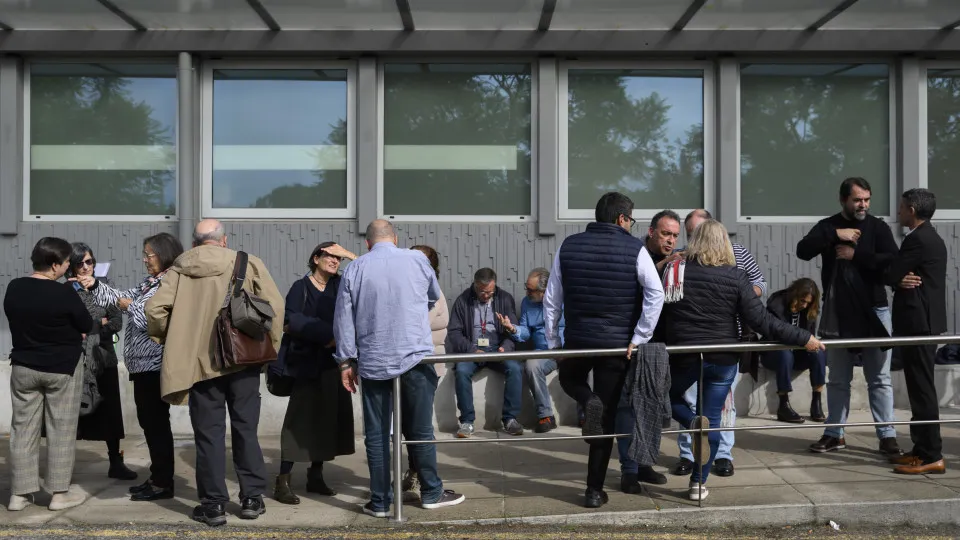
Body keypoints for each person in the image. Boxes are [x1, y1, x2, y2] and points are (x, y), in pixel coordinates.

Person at [659, 220, 823, 501]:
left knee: (666, 396)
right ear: (724, 243)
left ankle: (691, 422)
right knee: (712, 420)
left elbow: (659, 311)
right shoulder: (736, 276)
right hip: (723, 357)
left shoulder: (677, 270)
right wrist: (802, 336)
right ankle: (698, 483)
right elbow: (762, 320)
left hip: (685, 354)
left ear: (695, 241)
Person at [145, 219, 284, 526]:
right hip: (242, 360)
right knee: (246, 429)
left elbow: (155, 310)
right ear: (224, 240)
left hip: (200, 365)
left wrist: (171, 337)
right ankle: (252, 499)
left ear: (195, 242)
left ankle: (213, 505)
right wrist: (269, 347)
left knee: (209, 434)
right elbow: (275, 307)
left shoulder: (180, 268)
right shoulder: (247, 262)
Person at [333, 219, 465, 517]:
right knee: (420, 430)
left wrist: (345, 361)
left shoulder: (355, 269)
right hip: (415, 357)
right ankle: (431, 492)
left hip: (373, 360)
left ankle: (380, 502)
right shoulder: (417, 260)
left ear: (367, 243)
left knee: (377, 435)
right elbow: (432, 296)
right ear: (395, 238)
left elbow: (343, 319)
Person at [544, 192, 665, 508]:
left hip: (578, 340)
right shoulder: (635, 249)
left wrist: (553, 341)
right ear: (622, 218)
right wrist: (640, 336)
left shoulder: (569, 245)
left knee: (569, 379)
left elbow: (552, 297)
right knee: (607, 417)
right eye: (631, 219)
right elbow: (656, 293)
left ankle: (588, 400)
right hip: (617, 345)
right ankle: (593, 491)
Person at [75, 232, 184, 501]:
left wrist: (130, 306)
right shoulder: (150, 282)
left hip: (154, 366)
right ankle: (157, 477)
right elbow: (121, 297)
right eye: (145, 255)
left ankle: (163, 483)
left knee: (156, 424)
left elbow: (153, 321)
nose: (145, 260)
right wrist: (95, 285)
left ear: (164, 254)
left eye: (149, 254)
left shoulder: (171, 282)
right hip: (141, 367)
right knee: (149, 423)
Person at [796, 177, 901, 456]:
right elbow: (803, 250)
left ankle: (887, 436)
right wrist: (835, 235)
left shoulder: (878, 227)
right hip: (838, 314)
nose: (863, 205)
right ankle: (834, 434)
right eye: (857, 200)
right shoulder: (828, 226)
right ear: (843, 200)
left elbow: (892, 260)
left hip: (875, 311)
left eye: (866, 199)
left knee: (879, 379)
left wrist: (856, 255)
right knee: (838, 379)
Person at [673, 208, 767, 478]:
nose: (694, 239)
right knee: (691, 402)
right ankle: (689, 456)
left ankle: (723, 454)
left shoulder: (738, 253)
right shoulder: (682, 259)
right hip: (694, 343)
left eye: (697, 232)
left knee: (724, 404)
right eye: (689, 234)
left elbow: (760, 283)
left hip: (728, 340)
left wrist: (741, 296)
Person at [5, 237, 93, 511]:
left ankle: (19, 495)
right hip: (62, 368)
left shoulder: (15, 287)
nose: (68, 268)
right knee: (61, 430)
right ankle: (58, 494)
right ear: (55, 265)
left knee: (23, 429)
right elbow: (85, 323)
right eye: (66, 263)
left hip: (24, 365)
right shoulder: (63, 293)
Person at [274, 242, 358, 505]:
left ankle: (316, 475)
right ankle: (283, 480)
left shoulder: (340, 285)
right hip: (306, 365)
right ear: (315, 259)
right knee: (298, 421)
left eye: (338, 258)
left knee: (327, 421)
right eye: (329, 256)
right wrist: (329, 335)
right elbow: (291, 321)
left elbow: (367, 281)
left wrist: (351, 256)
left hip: (334, 365)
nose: (335, 261)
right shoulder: (300, 287)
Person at [884, 188, 947, 475]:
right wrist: (898, 279)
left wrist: (895, 278)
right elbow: (898, 274)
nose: (898, 212)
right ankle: (921, 449)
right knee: (919, 387)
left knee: (922, 390)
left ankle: (931, 455)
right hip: (923, 323)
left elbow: (891, 272)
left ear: (912, 210)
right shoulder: (930, 237)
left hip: (919, 324)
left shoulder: (918, 239)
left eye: (901, 207)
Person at [64, 243, 136, 481]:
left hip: (103, 357)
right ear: (71, 267)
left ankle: (115, 462)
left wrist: (92, 325)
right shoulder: (66, 290)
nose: (86, 267)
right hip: (75, 359)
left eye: (89, 262)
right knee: (72, 415)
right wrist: (97, 321)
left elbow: (116, 322)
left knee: (110, 411)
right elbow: (71, 323)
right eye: (80, 263)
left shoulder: (105, 287)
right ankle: (63, 468)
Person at [447, 268, 522, 438]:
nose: (486, 295)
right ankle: (467, 421)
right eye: (482, 291)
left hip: (497, 348)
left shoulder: (504, 299)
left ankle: (510, 419)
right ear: (475, 285)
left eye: (490, 292)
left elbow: (514, 329)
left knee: (515, 368)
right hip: (472, 349)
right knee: (462, 371)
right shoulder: (463, 300)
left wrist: (506, 347)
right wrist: (472, 349)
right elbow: (454, 332)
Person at [401, 244, 448, 501]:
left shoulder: (432, 293)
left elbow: (417, 324)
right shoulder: (412, 290)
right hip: (408, 365)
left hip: (426, 367)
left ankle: (424, 478)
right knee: (407, 424)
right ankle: (414, 469)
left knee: (419, 426)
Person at [497, 267, 566, 433]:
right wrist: (513, 329)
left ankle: (586, 414)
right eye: (526, 288)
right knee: (531, 365)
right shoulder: (527, 303)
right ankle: (546, 416)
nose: (527, 292)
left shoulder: (564, 300)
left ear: (545, 291)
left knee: (587, 361)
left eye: (531, 290)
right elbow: (526, 331)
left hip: (567, 348)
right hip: (544, 351)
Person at [760, 278, 827, 423]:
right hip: (773, 354)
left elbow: (810, 336)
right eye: (802, 301)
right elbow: (777, 334)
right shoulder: (776, 305)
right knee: (785, 353)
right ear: (794, 294)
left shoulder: (809, 309)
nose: (804, 305)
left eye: (808, 303)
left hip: (797, 354)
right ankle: (783, 405)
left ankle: (816, 401)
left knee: (819, 352)